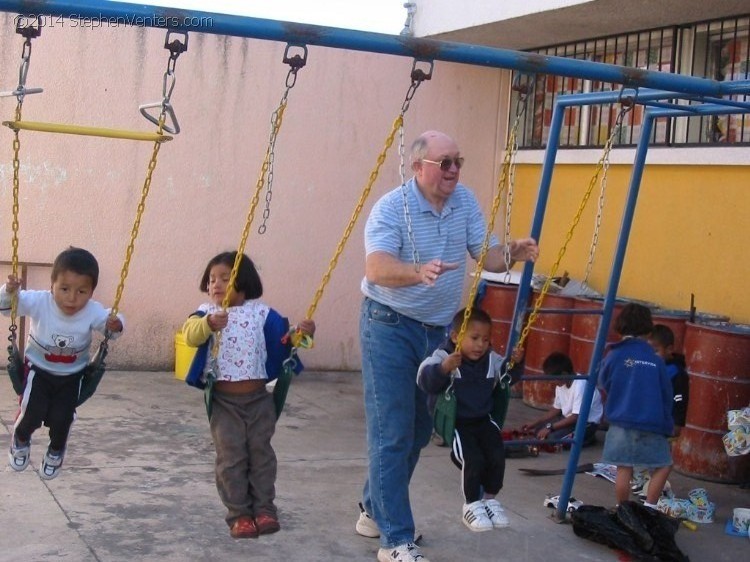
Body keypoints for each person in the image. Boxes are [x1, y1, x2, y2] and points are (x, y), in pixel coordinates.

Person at [357, 130, 539, 562]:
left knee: (420, 431)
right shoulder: (392, 208)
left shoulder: (464, 202)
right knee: (394, 431)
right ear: (418, 167)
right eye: (445, 163)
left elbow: (487, 255)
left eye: (459, 161)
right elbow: (377, 268)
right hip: (388, 326)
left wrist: (511, 251)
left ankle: (372, 509)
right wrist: (417, 272)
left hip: (437, 332)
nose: (454, 170)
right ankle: (396, 539)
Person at [182, 251, 315, 540]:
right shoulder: (206, 312)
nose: (216, 284)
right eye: (211, 279)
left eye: (225, 279)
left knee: (261, 455)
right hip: (223, 402)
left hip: (258, 400)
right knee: (231, 457)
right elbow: (190, 334)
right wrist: (207, 325)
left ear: (244, 282)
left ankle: (265, 509)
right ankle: (239, 514)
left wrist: (304, 333)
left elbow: (288, 341)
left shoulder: (262, 313)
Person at [1, 246, 124, 480]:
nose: (72, 297)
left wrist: (117, 324)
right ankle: (21, 439)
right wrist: (9, 290)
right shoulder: (39, 301)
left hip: (72, 375)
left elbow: (111, 323)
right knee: (31, 411)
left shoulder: (92, 311)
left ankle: (56, 450)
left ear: (91, 292)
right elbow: (6, 307)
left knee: (63, 418)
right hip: (38, 371)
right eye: (64, 289)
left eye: (81, 291)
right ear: (52, 285)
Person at [416, 308, 509, 533]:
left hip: (483, 419)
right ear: (456, 337)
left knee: (497, 455)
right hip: (456, 423)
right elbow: (424, 381)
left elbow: (508, 377)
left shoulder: (491, 359)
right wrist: (443, 368)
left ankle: (489, 500)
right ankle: (471, 504)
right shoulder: (444, 356)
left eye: (485, 340)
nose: (480, 345)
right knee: (473, 459)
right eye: (474, 338)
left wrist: (517, 362)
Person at [597, 303, 673, 510]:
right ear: (649, 329)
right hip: (651, 421)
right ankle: (649, 508)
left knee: (624, 467)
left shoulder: (613, 354)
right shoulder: (655, 359)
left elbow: (603, 381)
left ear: (620, 326)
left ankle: (624, 510)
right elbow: (666, 394)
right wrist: (668, 426)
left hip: (621, 419)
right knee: (663, 464)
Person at [521, 351, 603, 447]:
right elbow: (556, 409)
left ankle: (588, 438)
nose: (552, 382)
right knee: (538, 430)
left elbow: (576, 417)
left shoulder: (580, 385)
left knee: (552, 439)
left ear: (564, 374)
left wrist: (550, 427)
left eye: (553, 379)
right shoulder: (561, 384)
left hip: (586, 423)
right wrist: (536, 422)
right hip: (569, 419)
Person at [647, 324, 689, 437]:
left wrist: (676, 424)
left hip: (663, 429)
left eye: (655, 351)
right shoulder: (647, 366)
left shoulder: (676, 373)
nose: (651, 355)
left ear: (669, 349)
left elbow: (679, 400)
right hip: (644, 424)